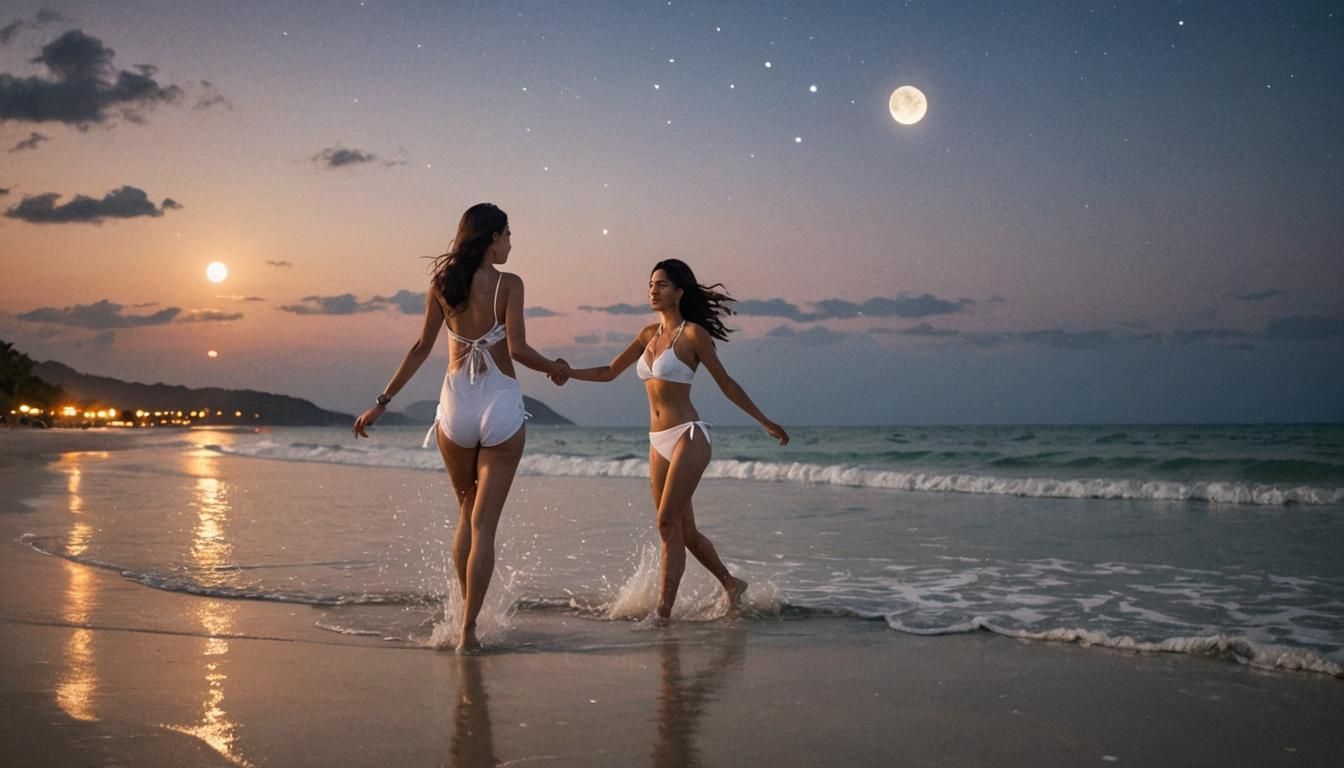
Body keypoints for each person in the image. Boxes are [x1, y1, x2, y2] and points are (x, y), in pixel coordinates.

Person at [353, 203, 568, 652]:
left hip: (456, 404)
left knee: (466, 513)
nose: (511, 242)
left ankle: (462, 617)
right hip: (500, 401)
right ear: (492, 237)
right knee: (484, 526)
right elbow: (520, 350)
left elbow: (419, 348)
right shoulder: (509, 284)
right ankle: (468, 631)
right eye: (508, 234)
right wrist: (556, 368)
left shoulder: (443, 285)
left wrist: (381, 404)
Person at [565, 259, 789, 623]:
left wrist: (763, 420)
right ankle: (732, 584)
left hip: (688, 435)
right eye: (651, 284)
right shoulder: (646, 335)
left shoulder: (693, 335)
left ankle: (662, 614)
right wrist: (566, 372)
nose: (653, 290)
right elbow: (608, 372)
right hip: (657, 441)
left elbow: (726, 384)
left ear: (680, 291)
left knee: (666, 522)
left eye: (662, 285)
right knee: (683, 531)